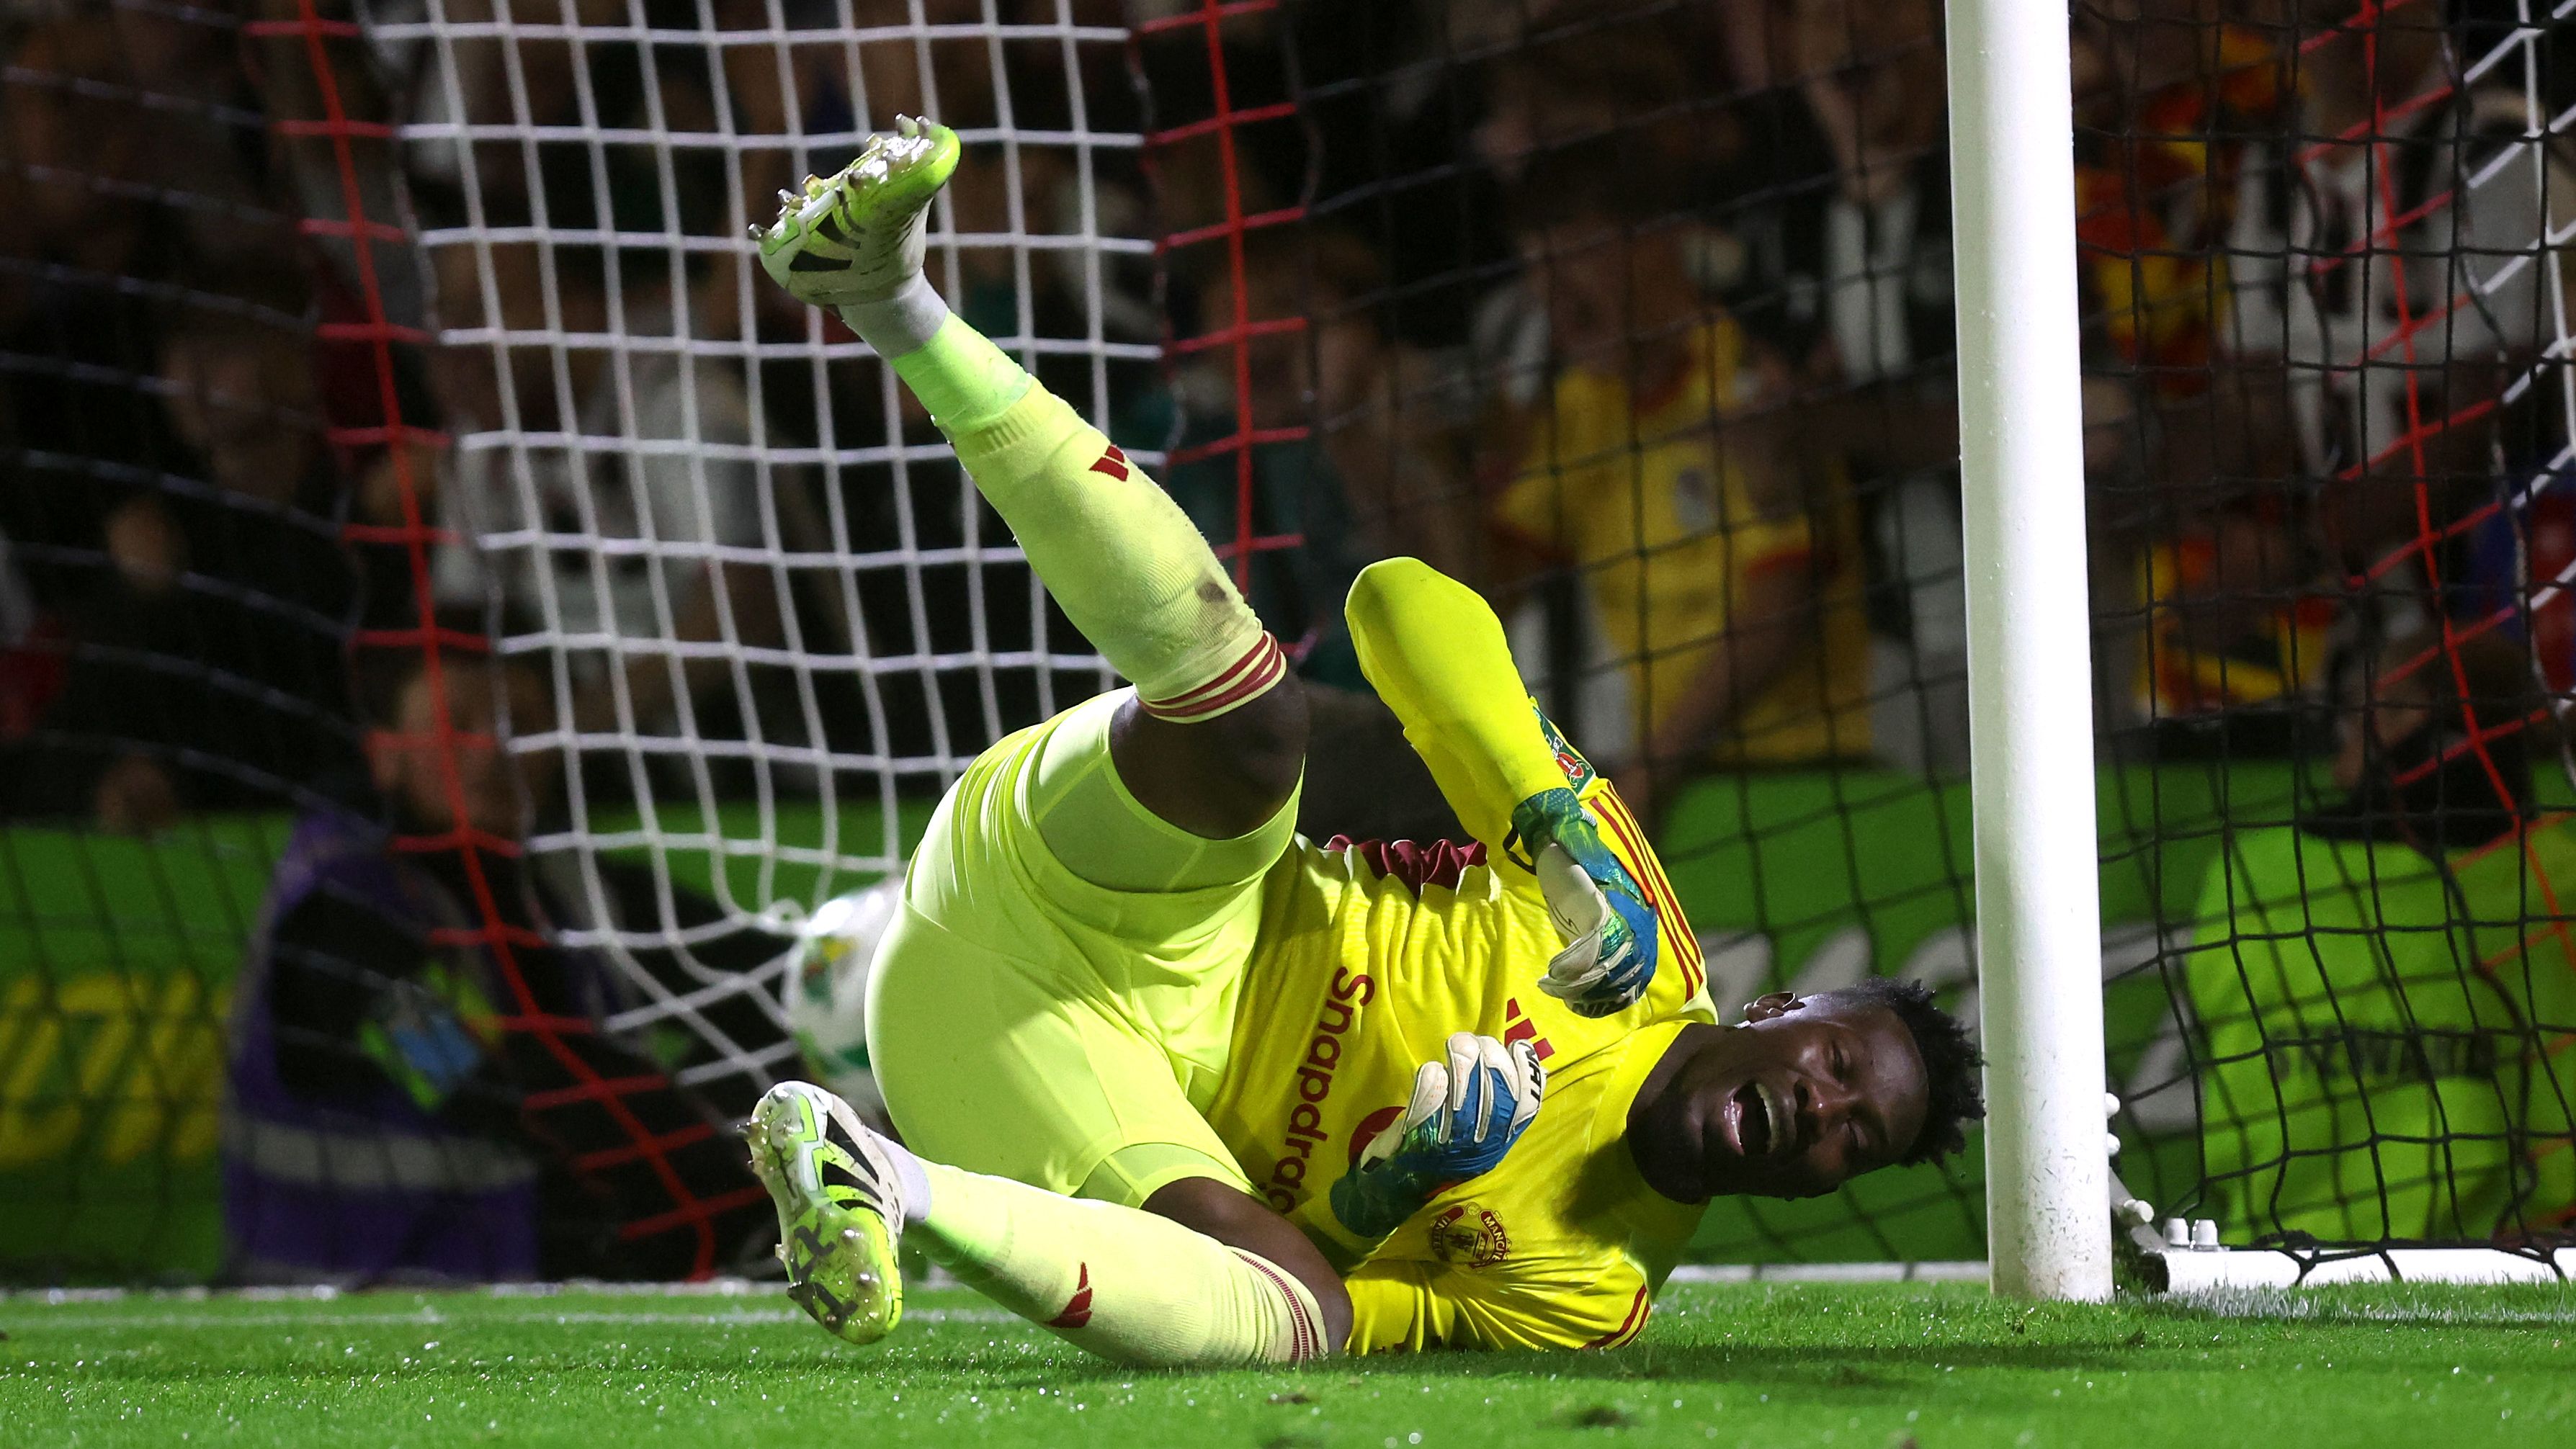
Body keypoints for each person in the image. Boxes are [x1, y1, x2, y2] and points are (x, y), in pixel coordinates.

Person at [739, 120, 1982, 1363]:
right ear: (1771, 1006)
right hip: (1115, 889)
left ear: (1825, 1183)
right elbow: (1394, 602)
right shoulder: (1630, 933)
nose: (1823, 1107)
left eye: (1852, 1137)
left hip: (1027, 1077)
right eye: (1834, 1059)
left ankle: (881, 1178)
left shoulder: (1586, 1294)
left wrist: (1378, 1198)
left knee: (1302, 1318)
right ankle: (889, 297)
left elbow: (1337, 1300)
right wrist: (1550, 831)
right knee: (1256, 726)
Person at [224, 634, 782, 1284]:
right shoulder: (337, 908)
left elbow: (761, 978)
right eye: (458, 725)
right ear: (384, 757)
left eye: (524, 724)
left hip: (519, 1274)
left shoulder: (564, 883)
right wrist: (698, 1155)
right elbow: (464, 1075)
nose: (495, 748)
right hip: (350, 1295)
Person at [1493, 147, 1877, 825]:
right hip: (1672, 796)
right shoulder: (1578, 410)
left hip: (1811, 784)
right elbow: (1488, 583)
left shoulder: (1750, 374)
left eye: (1577, 257)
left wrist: (1643, 778)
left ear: (1658, 242)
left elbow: (1780, 609)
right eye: (1535, 270)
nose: (1556, 297)